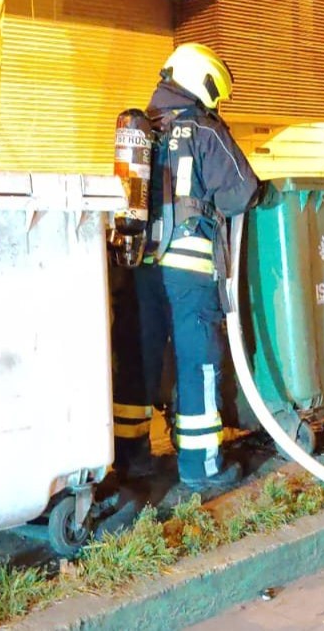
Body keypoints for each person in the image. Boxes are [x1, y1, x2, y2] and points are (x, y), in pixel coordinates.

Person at [111, 42, 266, 493]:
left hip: (139, 264)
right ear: (204, 80)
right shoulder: (202, 129)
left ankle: (131, 458)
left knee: (137, 358)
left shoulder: (141, 131)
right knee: (198, 360)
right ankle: (201, 466)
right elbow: (241, 192)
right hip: (188, 268)